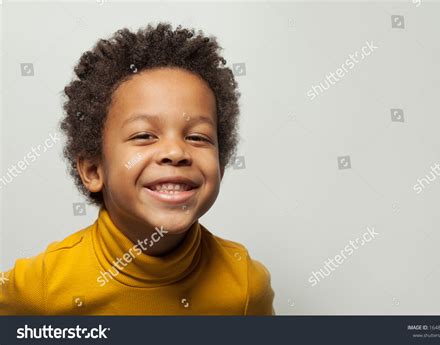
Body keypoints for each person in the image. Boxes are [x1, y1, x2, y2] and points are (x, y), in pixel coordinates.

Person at [0, 23, 275, 315]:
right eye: (144, 136)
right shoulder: (41, 287)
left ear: (219, 165)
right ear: (94, 170)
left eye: (197, 137)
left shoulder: (245, 284)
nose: (175, 152)